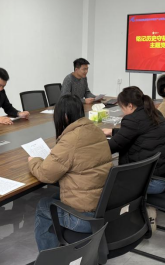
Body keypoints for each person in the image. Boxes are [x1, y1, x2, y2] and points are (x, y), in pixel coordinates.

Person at [29, 95, 113, 251]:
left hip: (83, 219)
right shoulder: (96, 130)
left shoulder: (71, 139)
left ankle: (49, 258)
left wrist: (33, 161)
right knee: (56, 197)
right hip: (104, 207)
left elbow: (45, 175)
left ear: (65, 116)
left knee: (43, 206)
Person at [103, 87, 165, 195]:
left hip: (154, 183)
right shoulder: (154, 112)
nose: (123, 112)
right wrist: (113, 132)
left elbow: (112, 147)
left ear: (130, 106)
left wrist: (90, 148)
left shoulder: (133, 119)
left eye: (122, 108)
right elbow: (139, 132)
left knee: (104, 182)